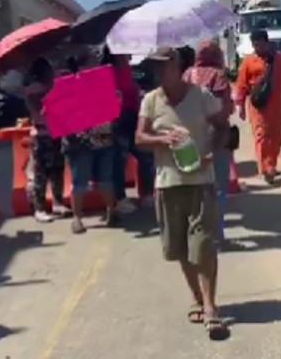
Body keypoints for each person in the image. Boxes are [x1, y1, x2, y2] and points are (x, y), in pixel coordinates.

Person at [135, 46, 229, 339]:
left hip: (200, 181)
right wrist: (163, 138)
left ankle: (211, 307)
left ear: (177, 65)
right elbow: (139, 137)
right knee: (180, 249)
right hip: (167, 183)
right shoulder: (151, 101)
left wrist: (211, 152)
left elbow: (223, 126)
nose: (159, 72)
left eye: (164, 66)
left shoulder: (200, 96)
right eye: (155, 67)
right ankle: (197, 298)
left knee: (203, 246)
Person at [183, 40, 235, 241]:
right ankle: (216, 234)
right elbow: (225, 108)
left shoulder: (187, 75)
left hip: (190, 138)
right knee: (218, 188)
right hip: (215, 137)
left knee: (193, 186)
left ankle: (195, 231)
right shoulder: (218, 76)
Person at [61, 58, 119, 234]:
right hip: (80, 145)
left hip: (104, 141)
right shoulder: (68, 91)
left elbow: (115, 111)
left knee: (105, 181)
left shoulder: (105, 88)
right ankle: (77, 219)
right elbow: (60, 115)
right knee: (80, 183)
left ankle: (112, 212)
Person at [235, 29, 281, 184]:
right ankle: (266, 168)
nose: (257, 48)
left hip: (276, 106)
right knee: (262, 136)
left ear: (266, 42)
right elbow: (241, 85)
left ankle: (271, 163)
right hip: (258, 107)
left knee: (276, 138)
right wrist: (240, 105)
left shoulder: (279, 59)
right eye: (254, 45)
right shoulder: (248, 62)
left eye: (260, 44)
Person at [24, 58, 69, 223]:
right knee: (41, 172)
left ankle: (57, 203)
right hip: (42, 135)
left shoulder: (47, 86)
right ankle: (40, 208)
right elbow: (42, 110)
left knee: (57, 168)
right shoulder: (34, 90)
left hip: (55, 132)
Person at [101, 46, 141, 214]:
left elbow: (132, 90)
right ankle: (119, 198)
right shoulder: (107, 71)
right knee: (119, 160)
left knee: (143, 155)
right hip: (118, 120)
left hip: (132, 117)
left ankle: (144, 193)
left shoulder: (125, 68)